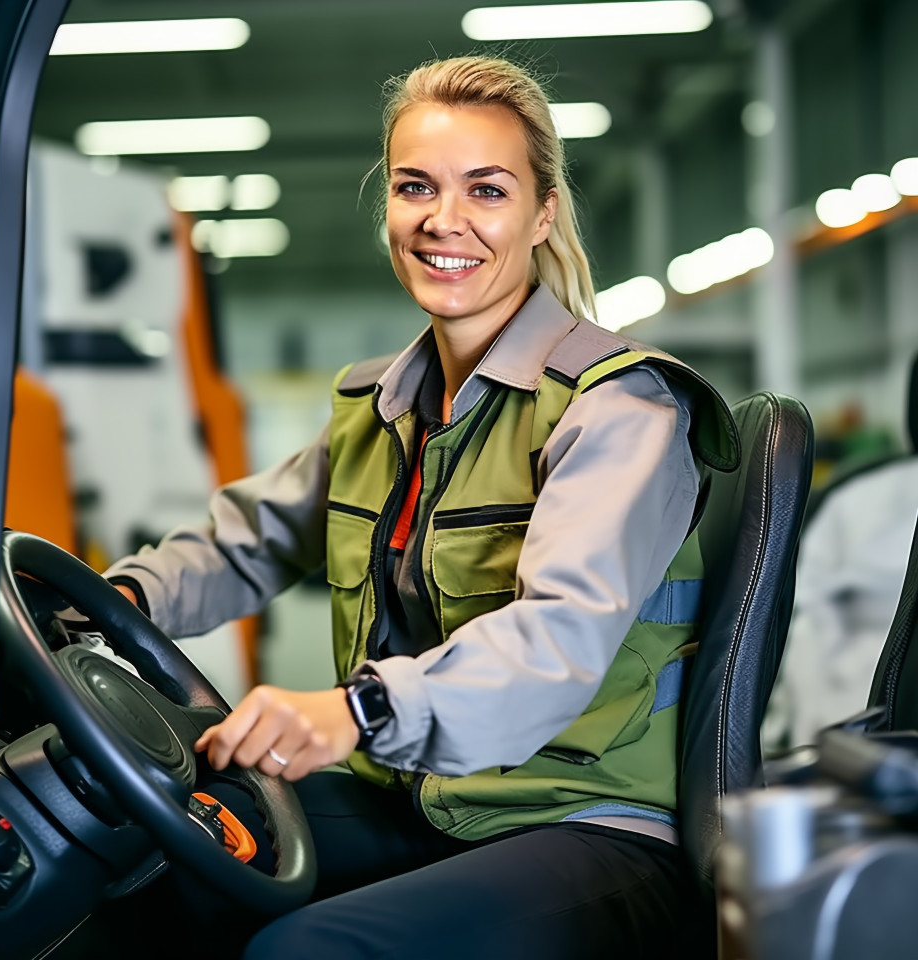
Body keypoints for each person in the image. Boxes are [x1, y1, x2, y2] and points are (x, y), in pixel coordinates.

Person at [105, 54, 739, 960]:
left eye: (487, 190)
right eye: (416, 188)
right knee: (153, 854)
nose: (445, 222)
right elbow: (242, 544)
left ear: (541, 212)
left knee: (304, 952)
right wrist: (115, 604)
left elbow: (557, 643)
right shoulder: (382, 408)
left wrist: (352, 713)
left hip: (579, 819)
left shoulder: (619, 407)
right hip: (417, 790)